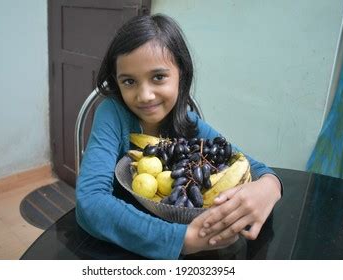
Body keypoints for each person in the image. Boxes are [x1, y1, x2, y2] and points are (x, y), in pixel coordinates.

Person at [76, 13, 282, 259]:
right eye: (129, 81)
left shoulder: (188, 122)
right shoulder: (112, 115)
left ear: (181, 74)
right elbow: (90, 203)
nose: (145, 95)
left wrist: (270, 185)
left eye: (158, 77)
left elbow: (247, 163)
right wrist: (183, 240)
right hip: (120, 243)